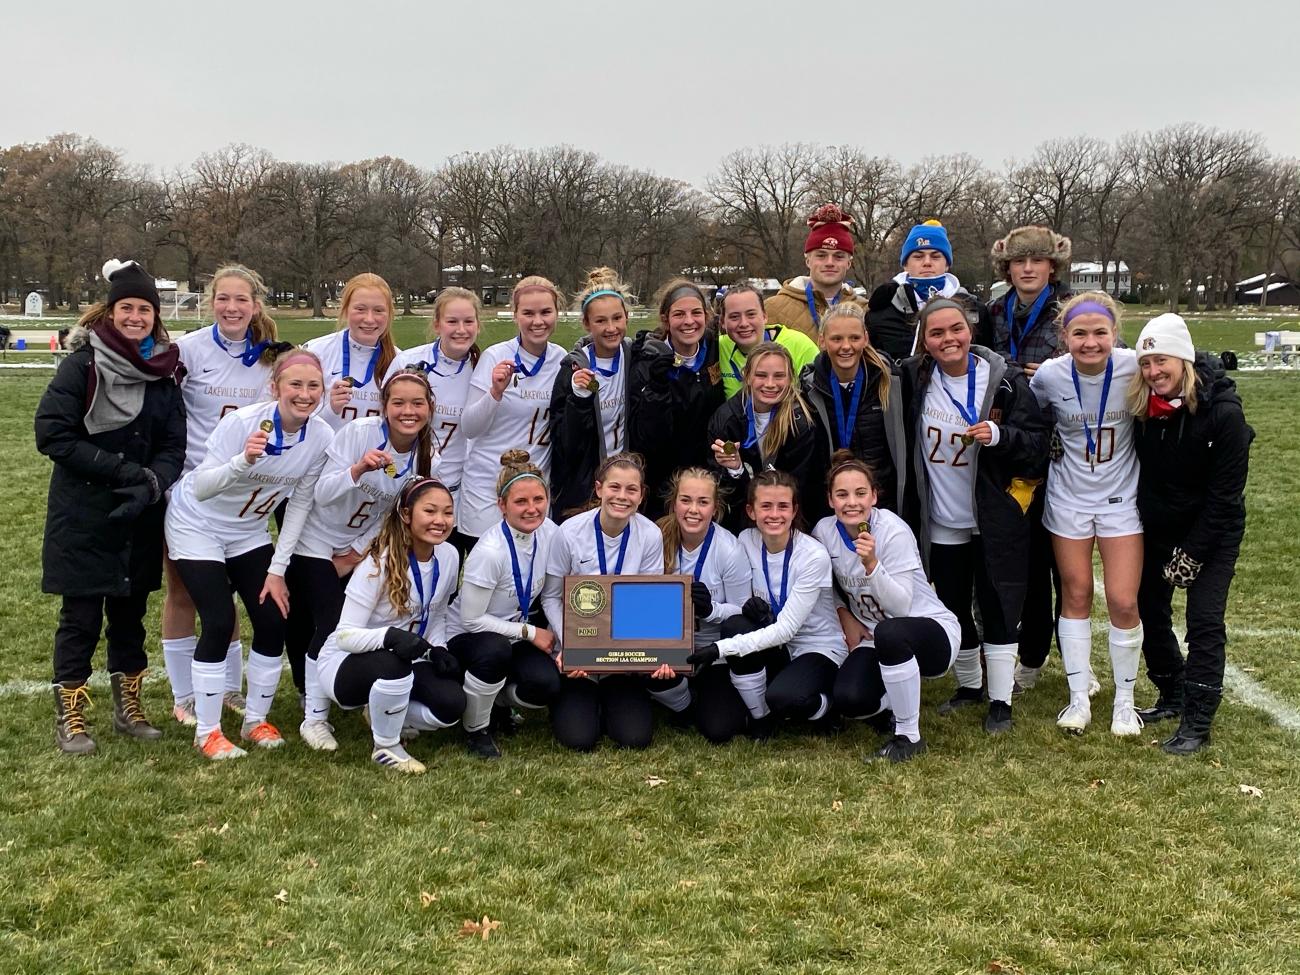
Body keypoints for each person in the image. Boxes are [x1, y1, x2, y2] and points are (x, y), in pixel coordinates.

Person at [36, 258, 187, 754]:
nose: (135, 317)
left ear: (154, 316)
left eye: (144, 309)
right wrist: (124, 473)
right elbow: (52, 434)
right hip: (84, 512)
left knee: (130, 614)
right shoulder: (82, 364)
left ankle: (130, 707)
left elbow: (172, 443)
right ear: (110, 310)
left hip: (140, 511)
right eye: (127, 307)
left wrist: (152, 482)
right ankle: (72, 717)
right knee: (80, 617)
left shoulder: (164, 372)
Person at [164, 349, 334, 759]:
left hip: (247, 531)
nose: (305, 394)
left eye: (313, 386)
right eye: (295, 384)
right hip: (198, 524)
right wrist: (244, 460)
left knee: (273, 618)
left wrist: (277, 570)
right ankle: (208, 732)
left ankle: (255, 719)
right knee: (220, 620)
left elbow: (298, 507)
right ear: (274, 387)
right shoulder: (241, 423)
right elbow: (202, 486)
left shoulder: (322, 436)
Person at [897, 297, 1047, 735]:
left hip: (994, 515)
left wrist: (1000, 435)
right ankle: (969, 686)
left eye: (956, 329)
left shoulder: (1004, 382)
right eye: (937, 333)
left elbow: (1038, 445)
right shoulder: (916, 378)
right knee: (954, 602)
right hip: (943, 516)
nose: (949, 339)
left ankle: (1001, 701)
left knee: (997, 603)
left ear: (971, 330)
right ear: (924, 341)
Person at [273, 369, 437, 752]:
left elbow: (395, 513)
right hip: (314, 540)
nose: (407, 411)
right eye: (398, 403)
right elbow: (322, 494)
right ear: (384, 407)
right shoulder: (358, 433)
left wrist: (359, 551)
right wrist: (358, 469)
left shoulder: (429, 456)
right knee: (330, 624)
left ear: (430, 408)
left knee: (371, 619)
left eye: (417, 403)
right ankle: (314, 718)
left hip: (357, 546)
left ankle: (367, 699)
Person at [164, 264, 284, 728]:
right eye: (223, 298)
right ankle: (184, 695)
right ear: (210, 301)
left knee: (228, 595)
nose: (232, 308)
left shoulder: (271, 357)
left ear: (255, 305)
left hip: (244, 499)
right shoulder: (189, 350)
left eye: (241, 300)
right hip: (192, 492)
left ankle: (227, 688)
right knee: (183, 592)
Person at [1129, 314, 1252, 754]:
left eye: (1161, 360)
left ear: (1183, 359)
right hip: (1158, 526)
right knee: (1145, 608)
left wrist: (1193, 554)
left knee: (1203, 621)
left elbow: (1224, 498)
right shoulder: (1144, 410)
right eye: (1145, 363)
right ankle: (1172, 692)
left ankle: (1197, 721)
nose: (1153, 371)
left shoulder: (1224, 415)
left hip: (1212, 532)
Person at [1030, 292, 1143, 737]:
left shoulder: (1134, 366)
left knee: (1122, 599)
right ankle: (1078, 700)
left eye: (1100, 332)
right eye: (1080, 333)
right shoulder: (1050, 376)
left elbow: (1185, 370)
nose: (1090, 342)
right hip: (1069, 499)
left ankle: (1125, 702)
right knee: (1076, 594)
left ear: (1115, 334)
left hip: (1121, 500)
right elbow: (1030, 417)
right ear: (1065, 337)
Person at [815, 453, 961, 762]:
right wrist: (844, 613)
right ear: (830, 500)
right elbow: (826, 587)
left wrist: (871, 564)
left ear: (874, 496)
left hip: (929, 630)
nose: (851, 502)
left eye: (860, 493)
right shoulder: (824, 532)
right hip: (874, 637)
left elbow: (901, 606)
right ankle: (894, 699)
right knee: (850, 700)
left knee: (891, 631)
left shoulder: (892, 530)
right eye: (841, 494)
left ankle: (909, 735)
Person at [316, 477, 463, 773]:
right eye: (430, 511)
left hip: (407, 656)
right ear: (406, 515)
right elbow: (344, 635)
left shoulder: (449, 555)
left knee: (451, 706)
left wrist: (438, 649)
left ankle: (382, 711)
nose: (440, 520)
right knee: (392, 666)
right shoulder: (377, 562)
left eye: (447, 512)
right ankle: (386, 747)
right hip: (346, 663)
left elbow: (437, 614)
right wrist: (389, 636)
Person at [686, 471, 848, 736]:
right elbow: (742, 609)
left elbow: (786, 630)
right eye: (766, 506)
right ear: (751, 511)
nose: (775, 514)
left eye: (783, 506)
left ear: (794, 510)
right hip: (774, 644)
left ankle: (829, 706)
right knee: (737, 624)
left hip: (815, 647)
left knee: (786, 698)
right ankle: (761, 718)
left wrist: (719, 649)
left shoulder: (812, 555)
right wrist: (725, 609)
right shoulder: (746, 541)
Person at [541, 453, 685, 749]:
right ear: (599, 489)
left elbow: (648, 602)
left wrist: (658, 653)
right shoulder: (569, 532)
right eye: (614, 487)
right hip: (577, 653)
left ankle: (612, 698)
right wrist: (570, 645)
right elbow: (552, 596)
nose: (622, 496)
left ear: (642, 495)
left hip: (622, 659)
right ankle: (577, 700)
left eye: (631, 489)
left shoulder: (649, 534)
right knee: (578, 739)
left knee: (635, 737)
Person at [986, 224, 1074, 697]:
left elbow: (1095, 356)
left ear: (1051, 266)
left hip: (1063, 448)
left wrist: (1059, 369)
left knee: (1066, 567)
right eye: (1019, 262)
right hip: (1014, 446)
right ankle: (1031, 656)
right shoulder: (995, 312)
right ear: (1007, 267)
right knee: (1030, 563)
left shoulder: (1067, 311)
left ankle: (1071, 659)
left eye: (1036, 261)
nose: (1027, 269)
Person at [446, 450, 561, 752]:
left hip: (512, 632)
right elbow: (471, 620)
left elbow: (550, 593)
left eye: (538, 499)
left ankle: (494, 701)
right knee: (494, 650)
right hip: (467, 637)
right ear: (502, 505)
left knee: (546, 685)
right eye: (520, 502)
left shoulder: (550, 533)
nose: (532, 509)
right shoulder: (490, 551)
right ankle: (476, 729)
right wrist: (531, 632)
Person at [459, 276, 566, 540]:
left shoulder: (563, 359)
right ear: (515, 315)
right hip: (487, 485)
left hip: (533, 489)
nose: (537, 321)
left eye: (545, 312)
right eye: (528, 313)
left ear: (557, 314)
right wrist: (495, 392)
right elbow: (469, 427)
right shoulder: (495, 356)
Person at [654, 468, 751, 743]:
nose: (693, 510)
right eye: (685, 500)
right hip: (669, 646)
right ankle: (683, 705)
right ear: (674, 503)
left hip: (713, 653)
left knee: (719, 730)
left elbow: (743, 614)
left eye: (703, 502)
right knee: (652, 675)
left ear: (715, 508)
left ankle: (699, 696)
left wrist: (711, 610)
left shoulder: (729, 550)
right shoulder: (656, 538)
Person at [389, 287, 482, 544]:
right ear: (437, 324)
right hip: (410, 495)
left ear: (478, 324)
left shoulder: (484, 368)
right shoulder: (408, 362)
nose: (460, 329)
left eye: (468, 321)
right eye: (452, 321)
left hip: (462, 498)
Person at [627, 278, 725, 518]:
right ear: (665, 320)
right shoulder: (647, 361)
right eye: (679, 314)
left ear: (707, 316)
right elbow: (646, 438)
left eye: (696, 313)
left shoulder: (715, 349)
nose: (689, 321)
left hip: (706, 478)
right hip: (663, 484)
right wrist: (657, 388)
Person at [799, 303, 904, 513]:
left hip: (883, 503)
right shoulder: (808, 390)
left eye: (854, 338)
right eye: (836, 339)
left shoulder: (891, 381)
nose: (846, 346)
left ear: (865, 338)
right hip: (833, 506)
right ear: (822, 341)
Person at [707, 342, 823, 531]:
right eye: (761, 375)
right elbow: (722, 490)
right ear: (747, 377)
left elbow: (800, 485)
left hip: (787, 517)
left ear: (791, 378)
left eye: (779, 376)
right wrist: (736, 469)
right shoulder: (727, 419)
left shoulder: (801, 421)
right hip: (741, 517)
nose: (770, 384)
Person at [549, 268, 635, 520]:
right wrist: (579, 399)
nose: (611, 328)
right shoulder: (572, 369)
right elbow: (566, 443)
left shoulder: (636, 358)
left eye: (617, 318)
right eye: (600, 321)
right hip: (585, 489)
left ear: (626, 318)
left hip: (628, 484)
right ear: (587, 323)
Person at [866, 220, 993, 361]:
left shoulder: (975, 310)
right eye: (918, 256)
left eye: (935, 256)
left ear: (947, 265)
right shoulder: (881, 313)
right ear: (905, 265)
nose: (927, 262)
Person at [303, 272, 402, 429]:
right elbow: (293, 421)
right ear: (345, 310)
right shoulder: (315, 352)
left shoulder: (400, 362)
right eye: (360, 309)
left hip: (375, 454)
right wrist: (330, 410)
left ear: (390, 314)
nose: (369, 319)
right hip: (322, 453)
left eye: (378, 310)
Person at [763, 203, 865, 338]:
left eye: (838, 256)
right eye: (821, 255)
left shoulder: (865, 310)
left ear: (849, 263)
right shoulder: (773, 309)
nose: (829, 263)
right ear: (807, 261)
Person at [717, 282, 819, 400]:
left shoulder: (800, 346)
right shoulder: (718, 348)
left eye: (751, 314)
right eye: (734, 317)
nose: (744, 323)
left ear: (765, 316)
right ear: (723, 322)